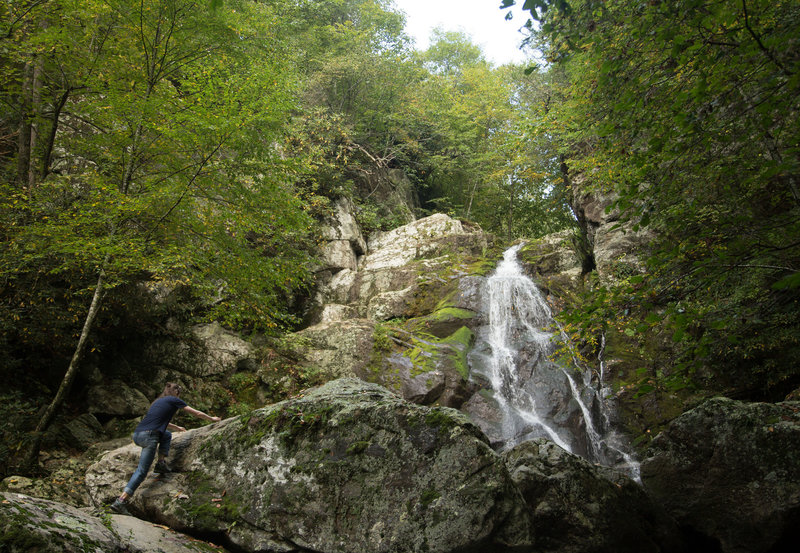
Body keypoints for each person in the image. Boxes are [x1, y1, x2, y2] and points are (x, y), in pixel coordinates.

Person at [110, 382, 221, 514]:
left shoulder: (157, 402)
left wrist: (177, 428)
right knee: (142, 471)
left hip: (138, 434)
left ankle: (161, 463)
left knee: (166, 435)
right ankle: (120, 501)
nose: (179, 396)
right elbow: (195, 413)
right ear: (176, 392)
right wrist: (212, 419)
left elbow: (159, 420)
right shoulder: (174, 400)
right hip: (149, 436)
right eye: (179, 394)